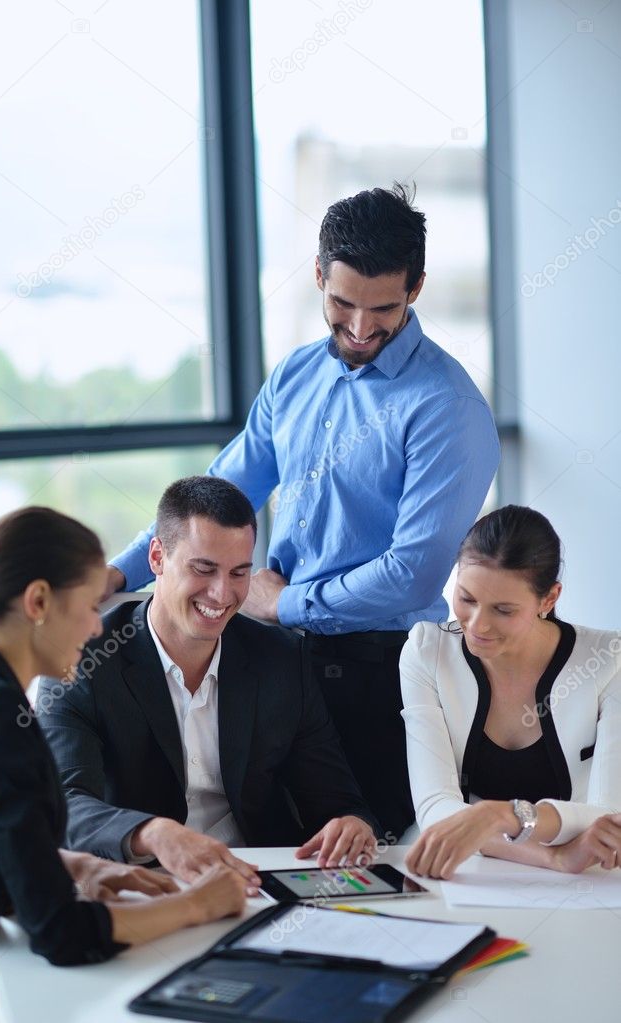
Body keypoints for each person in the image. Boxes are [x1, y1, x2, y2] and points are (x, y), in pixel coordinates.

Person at [102, 185, 501, 841]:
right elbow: (217, 490)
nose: (360, 328)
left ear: (417, 287)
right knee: (277, 851)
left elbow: (409, 574)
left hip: (383, 675)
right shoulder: (293, 377)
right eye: (341, 304)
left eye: (384, 310)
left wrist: (279, 604)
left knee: (369, 861)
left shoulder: (446, 408)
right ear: (317, 274)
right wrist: (119, 573)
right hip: (275, 663)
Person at [0, 507, 246, 1023]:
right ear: (37, 601)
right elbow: (61, 935)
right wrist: (199, 906)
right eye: (86, 605)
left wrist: (81, 865)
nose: (94, 624)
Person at [37, 477, 379, 882]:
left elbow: (337, 799)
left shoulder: (283, 658)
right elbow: (65, 804)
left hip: (258, 877)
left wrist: (353, 824)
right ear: (157, 557)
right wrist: (152, 833)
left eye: (239, 573)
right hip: (143, 880)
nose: (221, 594)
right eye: (204, 569)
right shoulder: (82, 660)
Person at [401, 505, 621, 880]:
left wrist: (498, 815)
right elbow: (435, 806)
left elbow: (609, 815)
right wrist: (551, 857)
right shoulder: (426, 650)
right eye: (467, 599)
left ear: (549, 599)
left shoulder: (608, 659)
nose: (477, 625)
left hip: (587, 875)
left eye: (503, 609)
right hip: (469, 869)